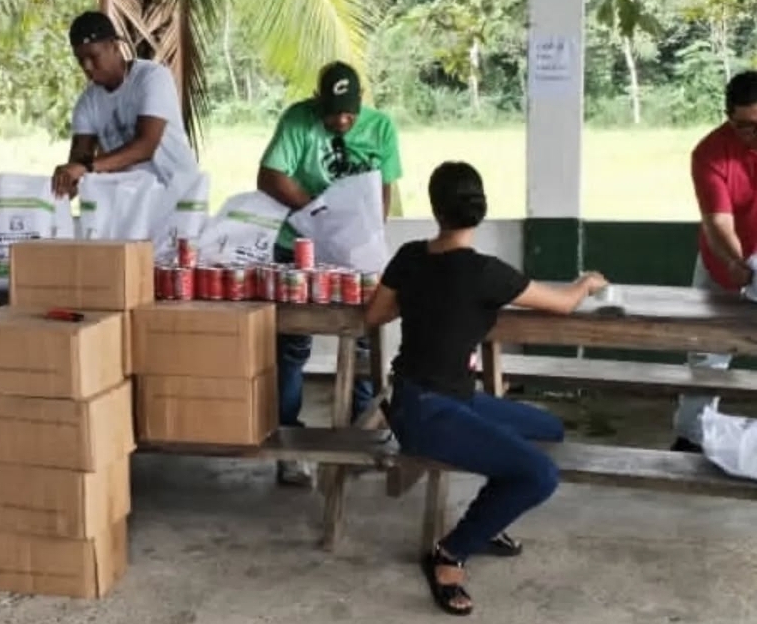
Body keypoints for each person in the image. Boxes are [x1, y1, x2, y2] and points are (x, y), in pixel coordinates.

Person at [364, 161, 608, 615]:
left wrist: (419, 299)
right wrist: (587, 282)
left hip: (446, 397)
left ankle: (486, 520)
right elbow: (563, 304)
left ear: (436, 210)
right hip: (424, 412)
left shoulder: (410, 257)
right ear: (481, 209)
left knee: (548, 431)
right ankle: (449, 553)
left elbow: (375, 314)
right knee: (539, 474)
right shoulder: (487, 273)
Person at [257, 60, 402, 487]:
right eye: (333, 113)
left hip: (355, 250)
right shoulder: (298, 121)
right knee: (291, 344)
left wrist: (366, 233)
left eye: (349, 114)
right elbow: (270, 175)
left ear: (361, 103)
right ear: (318, 102)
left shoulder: (381, 128)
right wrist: (317, 211)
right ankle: (287, 443)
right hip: (300, 245)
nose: (341, 121)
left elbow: (384, 190)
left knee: (362, 340)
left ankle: (361, 436)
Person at [673, 70, 757, 452]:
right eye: (745, 127)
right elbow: (718, 223)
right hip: (723, 263)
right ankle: (691, 435)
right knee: (708, 352)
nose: (753, 135)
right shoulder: (710, 152)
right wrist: (739, 264)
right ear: (728, 117)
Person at [51, 11, 198, 198]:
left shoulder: (152, 77)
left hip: (177, 194)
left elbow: (145, 146)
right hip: (131, 201)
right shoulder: (87, 103)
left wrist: (87, 168)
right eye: (81, 60)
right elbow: (79, 163)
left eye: (93, 56)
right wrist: (67, 180)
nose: (87, 66)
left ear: (115, 46)